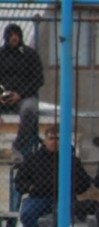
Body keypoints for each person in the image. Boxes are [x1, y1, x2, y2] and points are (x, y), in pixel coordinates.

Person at [14, 126, 92, 227]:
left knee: (61, 215)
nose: (54, 142)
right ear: (45, 141)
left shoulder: (71, 160)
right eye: (51, 138)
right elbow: (19, 181)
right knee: (27, 215)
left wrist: (71, 188)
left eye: (58, 139)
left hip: (62, 198)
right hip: (38, 197)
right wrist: (30, 188)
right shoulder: (33, 159)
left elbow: (85, 183)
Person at [0, 23, 44, 159]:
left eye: (17, 35)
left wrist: (20, 94)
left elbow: (39, 79)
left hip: (24, 96)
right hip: (3, 95)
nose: (14, 38)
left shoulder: (30, 55)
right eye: (11, 35)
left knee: (29, 109)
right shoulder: (1, 54)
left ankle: (18, 147)